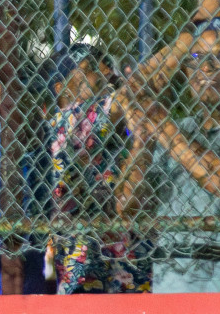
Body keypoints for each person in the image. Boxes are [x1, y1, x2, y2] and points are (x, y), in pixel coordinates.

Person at [116, 0, 220, 292]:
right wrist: (142, 143)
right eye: (195, 59)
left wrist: (158, 123)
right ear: (186, 73)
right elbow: (127, 205)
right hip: (170, 280)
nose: (206, 67)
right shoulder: (180, 127)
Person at [38, 44, 150, 294]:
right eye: (88, 69)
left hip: (113, 253)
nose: (103, 73)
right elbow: (126, 99)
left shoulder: (106, 125)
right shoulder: (68, 121)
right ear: (61, 89)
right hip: (86, 257)